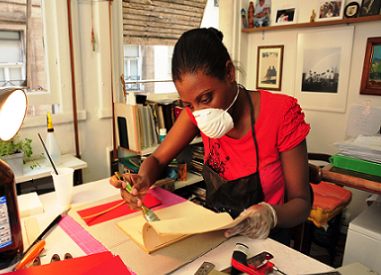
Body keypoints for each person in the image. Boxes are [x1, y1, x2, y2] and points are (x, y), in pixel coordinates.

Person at [110, 28, 312, 245]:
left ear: (229, 73)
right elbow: (157, 159)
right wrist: (144, 180)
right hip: (216, 234)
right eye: (189, 105)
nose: (199, 114)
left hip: (266, 240)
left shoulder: (282, 113)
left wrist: (271, 214)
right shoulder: (197, 115)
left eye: (206, 98)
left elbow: (301, 203)